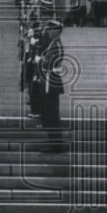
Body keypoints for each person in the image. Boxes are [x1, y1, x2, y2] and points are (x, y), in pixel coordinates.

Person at [37, 20, 67, 151]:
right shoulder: (53, 44)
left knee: (52, 115)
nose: (47, 32)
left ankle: (56, 143)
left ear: (56, 31)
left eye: (50, 30)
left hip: (51, 80)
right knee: (48, 114)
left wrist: (41, 61)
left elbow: (48, 63)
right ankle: (53, 141)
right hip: (48, 80)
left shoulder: (56, 45)